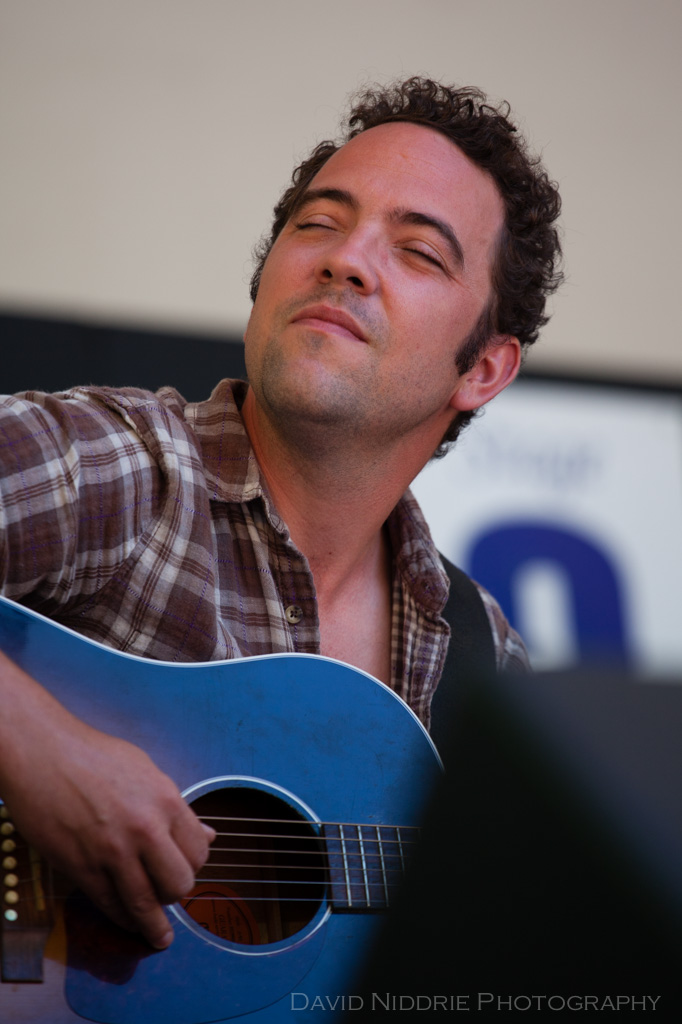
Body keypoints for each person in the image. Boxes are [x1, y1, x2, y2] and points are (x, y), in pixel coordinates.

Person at [0, 77, 562, 952]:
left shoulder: (481, 660)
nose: (345, 260)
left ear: (483, 369)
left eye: (418, 251)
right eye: (318, 223)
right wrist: (38, 749)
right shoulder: (121, 467)